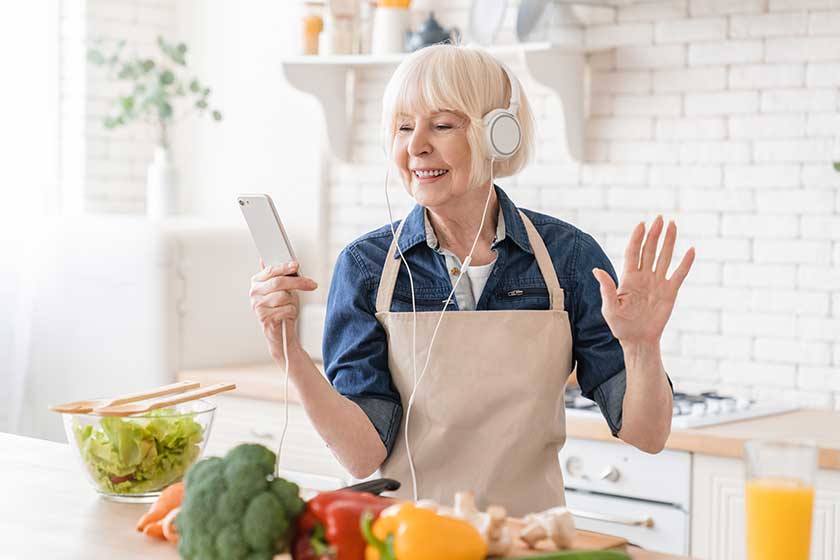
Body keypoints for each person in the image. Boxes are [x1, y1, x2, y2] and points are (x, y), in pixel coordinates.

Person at [249, 44, 695, 516]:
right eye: (403, 127)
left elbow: (647, 435)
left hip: (527, 542)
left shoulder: (567, 259)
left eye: (442, 125)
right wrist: (289, 355)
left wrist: (642, 346)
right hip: (406, 540)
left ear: (499, 136)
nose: (415, 145)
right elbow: (363, 456)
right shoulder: (367, 267)